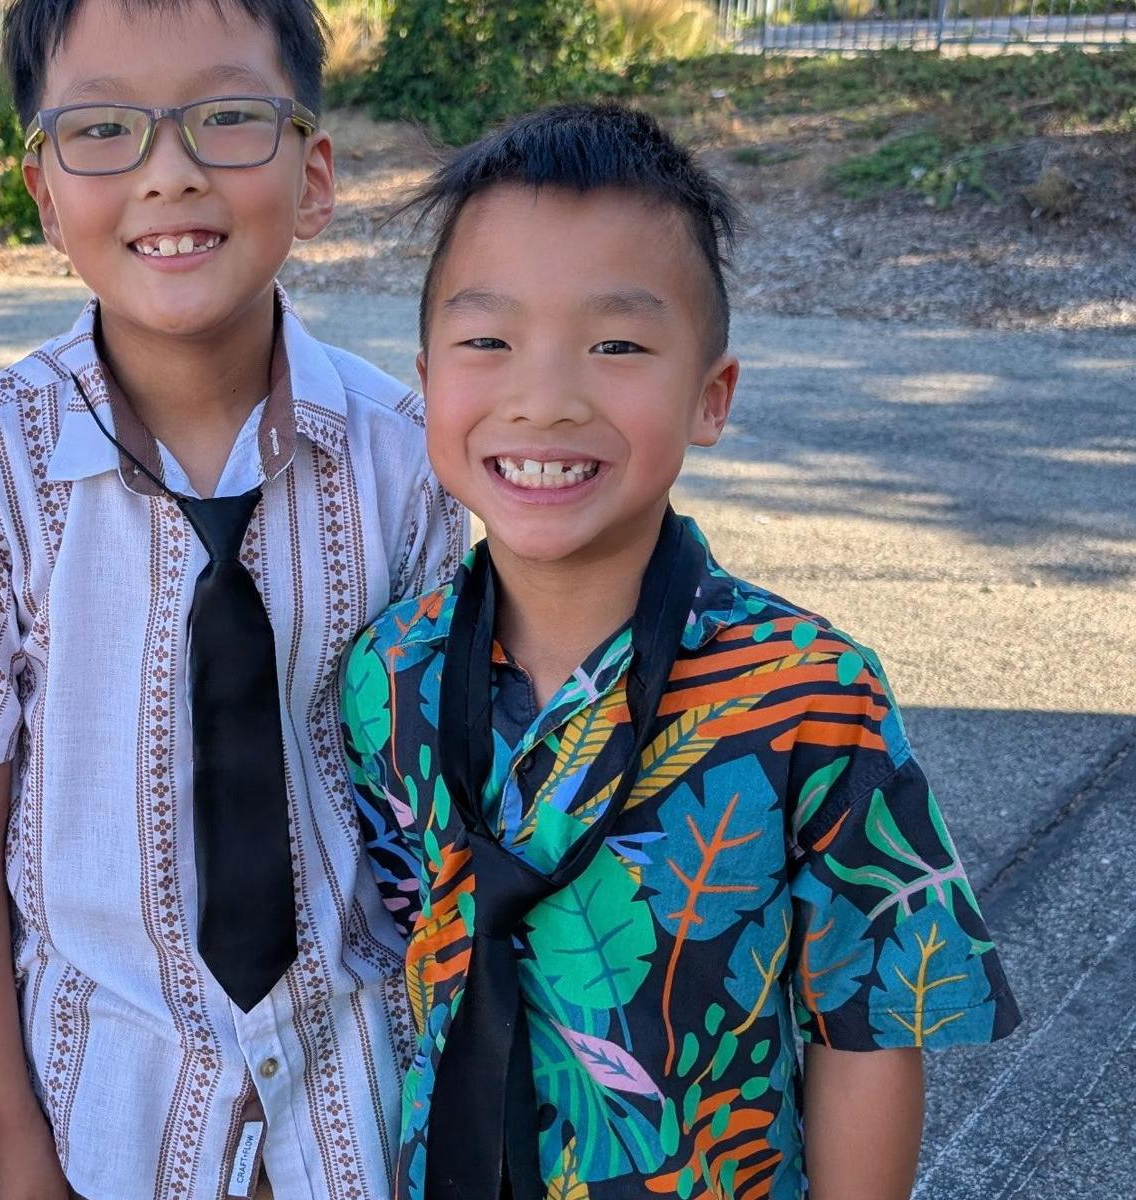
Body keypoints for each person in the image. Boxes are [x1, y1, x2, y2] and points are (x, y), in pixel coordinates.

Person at [341, 103, 1020, 1200]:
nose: (544, 396)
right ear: (423, 379)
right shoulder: (384, 676)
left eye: (615, 344)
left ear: (710, 396)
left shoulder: (811, 693)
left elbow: (869, 1029)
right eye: (486, 341)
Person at [0, 1, 465, 1196]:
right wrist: (10, 1130)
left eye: (229, 117)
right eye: (102, 131)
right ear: (42, 191)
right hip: (104, 1107)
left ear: (314, 175)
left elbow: (429, 802)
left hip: (365, 1099)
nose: (169, 173)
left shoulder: (405, 457)